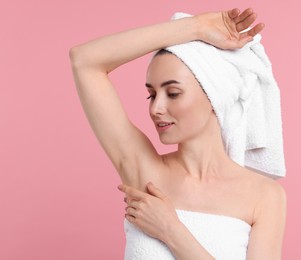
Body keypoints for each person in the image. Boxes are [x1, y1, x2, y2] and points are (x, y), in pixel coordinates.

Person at [69, 7, 286, 260]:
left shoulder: (263, 197)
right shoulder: (145, 174)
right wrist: (197, 27)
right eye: (151, 94)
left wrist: (171, 231)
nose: (156, 108)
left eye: (173, 93)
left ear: (216, 96)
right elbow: (84, 60)